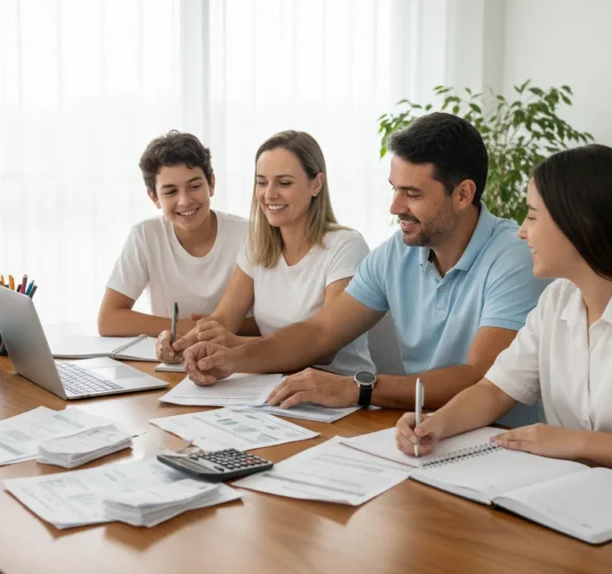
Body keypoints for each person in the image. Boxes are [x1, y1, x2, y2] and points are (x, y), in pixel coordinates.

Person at [395, 144, 612, 490]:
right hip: (578, 497)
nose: (522, 230)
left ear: (582, 224)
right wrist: (436, 424)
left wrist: (577, 443)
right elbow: (494, 390)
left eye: (533, 216)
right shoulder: (558, 299)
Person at [180, 113, 548, 420]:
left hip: (502, 442)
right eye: (394, 189)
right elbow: (320, 332)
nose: (395, 207)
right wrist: (233, 359)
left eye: (412, 194)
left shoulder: (513, 256)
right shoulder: (396, 254)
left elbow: (480, 378)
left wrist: (358, 388)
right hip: (424, 430)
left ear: (463, 194)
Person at [157, 130, 374, 376]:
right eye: (262, 182)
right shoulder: (258, 246)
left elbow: (324, 349)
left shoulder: (345, 247)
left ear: (316, 184)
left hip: (336, 389)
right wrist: (182, 343)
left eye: (284, 183)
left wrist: (236, 345)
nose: (269, 194)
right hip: (272, 383)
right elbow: (223, 320)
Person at [98, 131, 251, 338]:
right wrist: (197, 329)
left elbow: (271, 322)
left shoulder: (247, 235)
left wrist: (207, 329)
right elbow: (108, 320)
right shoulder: (146, 235)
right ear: (154, 197)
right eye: (170, 192)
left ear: (211, 184)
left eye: (195, 186)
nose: (185, 201)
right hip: (172, 352)